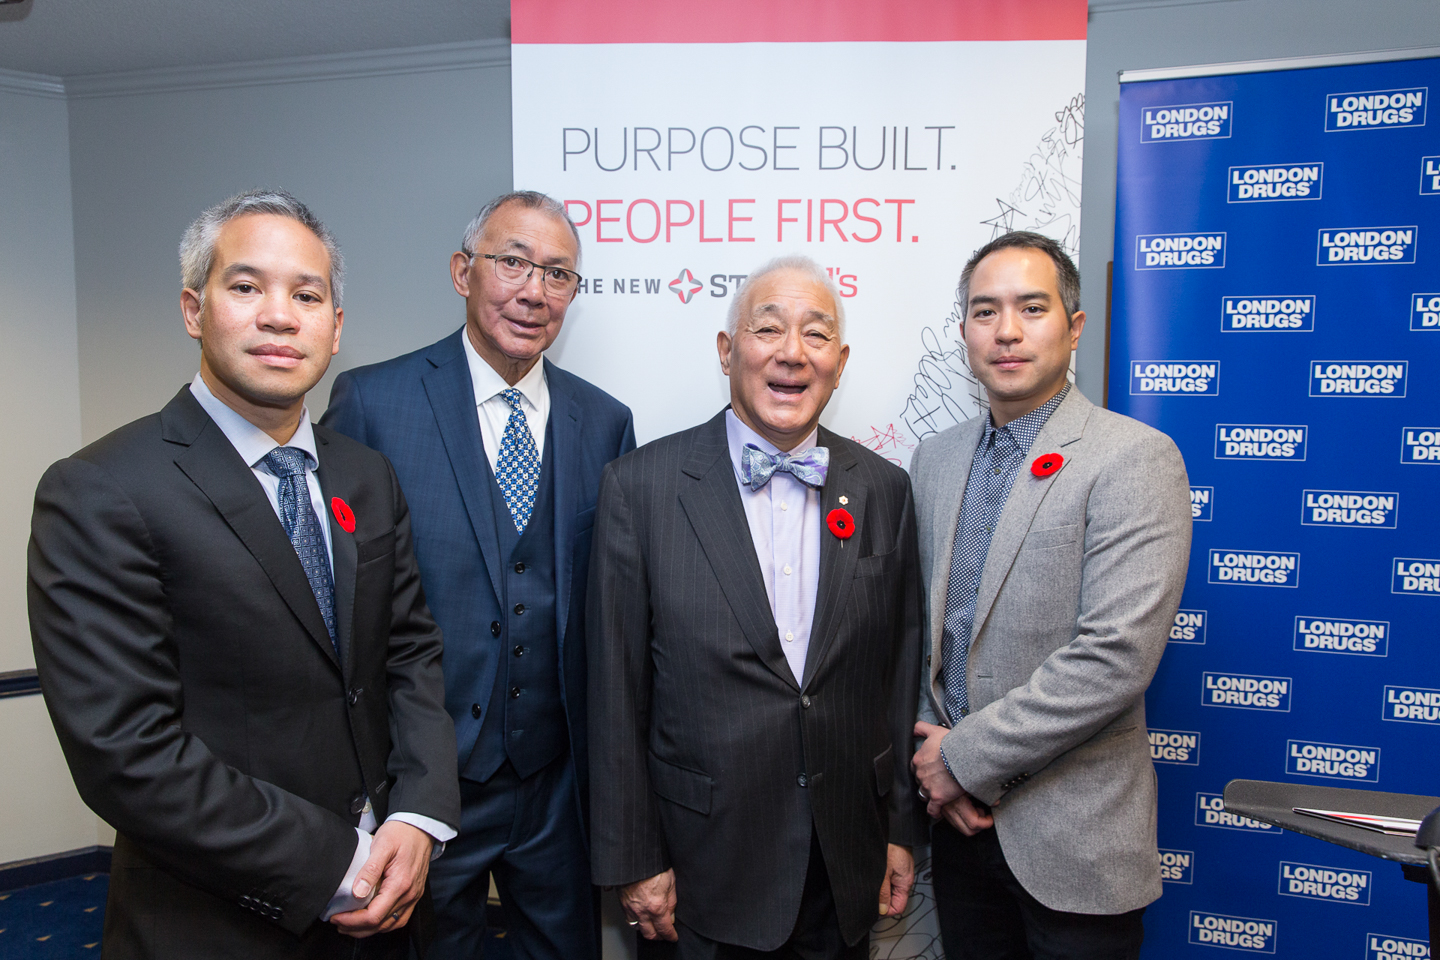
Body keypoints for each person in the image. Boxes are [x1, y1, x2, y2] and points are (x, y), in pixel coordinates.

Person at [28, 189, 461, 959]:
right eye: (246, 287)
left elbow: (410, 655)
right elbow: (127, 753)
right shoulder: (102, 488)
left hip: (391, 907)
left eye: (307, 294)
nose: (279, 315)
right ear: (194, 309)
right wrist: (337, 860)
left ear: (335, 327)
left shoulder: (366, 476)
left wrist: (417, 818)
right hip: (213, 920)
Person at [322, 190, 634, 960]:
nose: (534, 291)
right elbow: (334, 603)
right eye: (513, 263)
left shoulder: (605, 423)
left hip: (556, 782)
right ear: (464, 272)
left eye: (558, 274)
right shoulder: (375, 402)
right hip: (425, 784)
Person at [588, 255, 924, 959]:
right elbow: (614, 691)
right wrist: (635, 859)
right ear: (727, 350)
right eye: (769, 328)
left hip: (843, 862)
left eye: (816, 334)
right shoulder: (640, 487)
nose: (792, 354)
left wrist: (899, 828)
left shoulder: (884, 489)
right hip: (701, 867)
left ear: (840, 359)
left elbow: (895, 673)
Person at [909, 231, 1192, 959]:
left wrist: (964, 759)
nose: (1006, 330)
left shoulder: (1133, 458)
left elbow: (1114, 658)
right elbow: (921, 635)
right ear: (965, 330)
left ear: (1074, 326)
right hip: (960, 831)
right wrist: (936, 771)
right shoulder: (934, 461)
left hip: (1076, 845)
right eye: (984, 311)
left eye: (1031, 308)